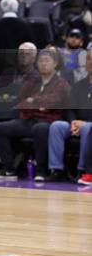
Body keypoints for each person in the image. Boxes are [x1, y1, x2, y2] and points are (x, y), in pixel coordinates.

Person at [0, 50, 70, 182]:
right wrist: (36, 103)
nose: (43, 64)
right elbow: (21, 100)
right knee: (0, 128)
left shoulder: (62, 83)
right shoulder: (32, 81)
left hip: (49, 121)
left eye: (47, 61)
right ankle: (9, 169)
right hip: (29, 119)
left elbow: (54, 101)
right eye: (41, 61)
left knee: (40, 129)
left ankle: (41, 171)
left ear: (55, 64)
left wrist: (33, 100)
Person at [47, 49, 92, 182]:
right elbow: (69, 109)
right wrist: (73, 122)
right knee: (57, 126)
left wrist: (84, 123)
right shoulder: (79, 85)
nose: (91, 62)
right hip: (76, 123)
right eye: (89, 59)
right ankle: (57, 169)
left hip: (88, 125)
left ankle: (82, 170)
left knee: (87, 128)